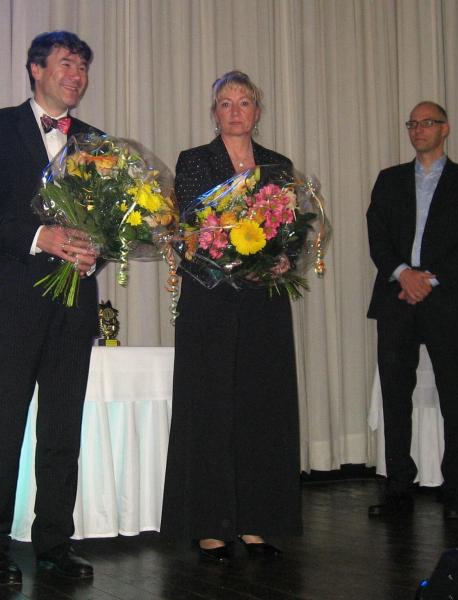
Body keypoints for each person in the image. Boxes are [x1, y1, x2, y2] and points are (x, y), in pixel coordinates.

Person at [0, 31, 101, 583]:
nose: (77, 75)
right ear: (36, 69)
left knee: (62, 431)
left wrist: (96, 250)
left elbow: (109, 225)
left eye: (82, 67)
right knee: (4, 426)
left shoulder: (96, 143)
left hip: (73, 308)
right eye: (67, 64)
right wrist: (42, 236)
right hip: (13, 304)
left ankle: (54, 545)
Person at [160, 71, 302, 562]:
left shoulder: (279, 166)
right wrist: (230, 252)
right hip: (211, 301)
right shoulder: (195, 161)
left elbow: (293, 230)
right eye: (226, 103)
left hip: (264, 303)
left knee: (263, 408)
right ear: (214, 112)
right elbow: (193, 228)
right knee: (210, 409)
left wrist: (284, 258)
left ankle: (259, 521)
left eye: (244, 102)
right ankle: (211, 525)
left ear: (257, 112)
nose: (235, 111)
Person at [366, 101, 458, 520]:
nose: (418, 130)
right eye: (412, 124)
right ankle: (399, 488)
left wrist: (427, 280)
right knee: (395, 396)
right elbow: (377, 236)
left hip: (447, 300)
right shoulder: (389, 180)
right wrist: (404, 274)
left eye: (427, 123)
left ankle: (456, 489)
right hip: (396, 298)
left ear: (445, 128)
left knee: (453, 394)